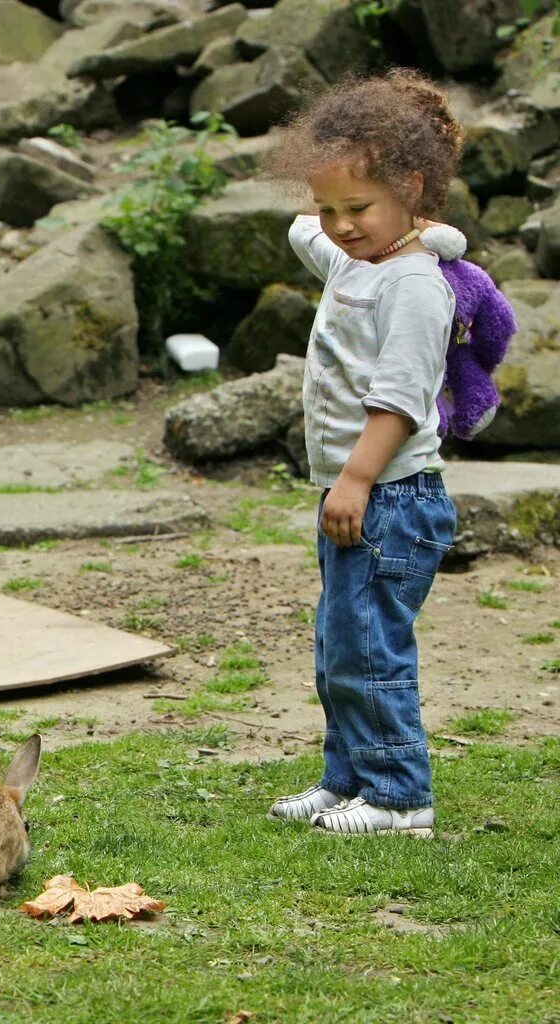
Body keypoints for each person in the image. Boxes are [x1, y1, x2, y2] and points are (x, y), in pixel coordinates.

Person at [264, 70, 465, 836]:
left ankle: (398, 794)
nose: (340, 225)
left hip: (388, 496)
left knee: (369, 648)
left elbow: (401, 399)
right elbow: (300, 232)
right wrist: (376, 213)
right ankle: (347, 777)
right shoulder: (360, 258)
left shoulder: (413, 286)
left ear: (412, 188)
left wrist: (353, 479)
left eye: (360, 208)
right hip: (355, 497)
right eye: (330, 208)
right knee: (337, 645)